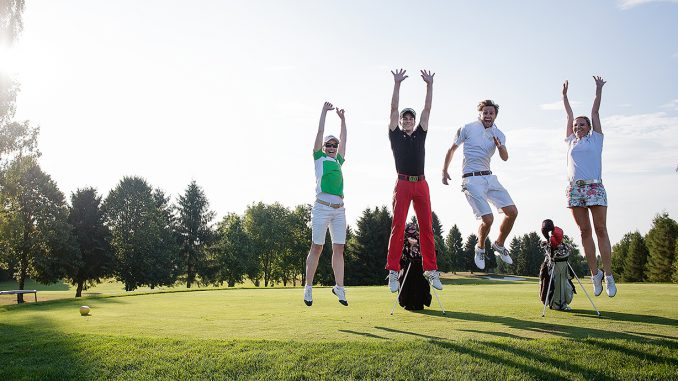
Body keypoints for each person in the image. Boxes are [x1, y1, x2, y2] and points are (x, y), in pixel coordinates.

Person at [442, 100, 518, 270]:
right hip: (471, 179)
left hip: (489, 178)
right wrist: (444, 170)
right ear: (480, 113)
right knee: (488, 219)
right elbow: (452, 149)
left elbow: (505, 157)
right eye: (485, 112)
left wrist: (500, 147)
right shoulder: (467, 128)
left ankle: (499, 244)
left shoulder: (499, 133)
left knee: (512, 212)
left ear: (495, 115)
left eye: (491, 113)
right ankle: (480, 247)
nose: (488, 115)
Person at [386, 68, 442, 293]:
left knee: (426, 227)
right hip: (403, 183)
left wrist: (429, 86)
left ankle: (431, 269)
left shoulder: (421, 132)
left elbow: (427, 109)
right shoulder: (394, 134)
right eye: (405, 118)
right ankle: (392, 271)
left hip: (421, 184)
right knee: (398, 227)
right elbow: (392, 109)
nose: (408, 120)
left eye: (411, 118)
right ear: (400, 121)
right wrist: (397, 83)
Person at [562, 77, 616, 297]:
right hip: (575, 189)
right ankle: (596, 275)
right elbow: (568, 115)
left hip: (595, 188)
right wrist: (565, 97)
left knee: (600, 229)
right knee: (584, 232)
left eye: (581, 124)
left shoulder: (596, 140)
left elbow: (595, 114)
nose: (577, 126)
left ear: (589, 128)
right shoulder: (570, 142)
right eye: (576, 125)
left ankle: (609, 276)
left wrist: (598, 91)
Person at [304, 101, 348, 307]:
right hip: (322, 208)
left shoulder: (338, 161)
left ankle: (339, 287)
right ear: (323, 147)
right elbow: (320, 131)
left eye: (334, 145)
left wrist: (343, 120)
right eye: (328, 145)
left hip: (339, 210)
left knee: (339, 247)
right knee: (317, 247)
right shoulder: (319, 158)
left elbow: (345, 139)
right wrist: (323, 112)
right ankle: (309, 287)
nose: (331, 148)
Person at [398, 222, 432, 311]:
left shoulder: (420, 237)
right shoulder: (403, 238)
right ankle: (408, 304)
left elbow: (426, 248)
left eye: (413, 228)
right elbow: (400, 250)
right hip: (407, 264)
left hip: (419, 264)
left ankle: (419, 304)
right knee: (406, 284)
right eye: (410, 229)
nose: (412, 230)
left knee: (420, 284)